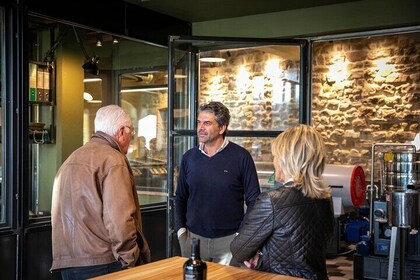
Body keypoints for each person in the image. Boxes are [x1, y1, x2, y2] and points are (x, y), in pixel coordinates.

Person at [51, 105, 151, 279]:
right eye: (131, 132)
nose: (131, 138)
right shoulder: (114, 160)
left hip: (68, 264)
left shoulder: (70, 160)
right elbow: (119, 219)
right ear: (121, 131)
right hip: (103, 263)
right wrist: (131, 260)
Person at [230, 124, 335, 279]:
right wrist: (262, 256)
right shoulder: (325, 198)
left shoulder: (272, 201)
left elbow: (238, 250)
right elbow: (301, 251)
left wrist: (258, 257)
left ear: (287, 159)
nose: (274, 161)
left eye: (276, 155)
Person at [175, 101, 261, 265]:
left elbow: (254, 202)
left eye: (207, 123)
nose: (200, 127)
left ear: (222, 128)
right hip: (193, 241)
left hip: (229, 241)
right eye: (199, 122)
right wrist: (181, 233)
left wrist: (241, 236)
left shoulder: (241, 157)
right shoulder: (189, 157)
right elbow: (180, 198)